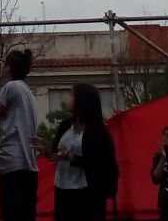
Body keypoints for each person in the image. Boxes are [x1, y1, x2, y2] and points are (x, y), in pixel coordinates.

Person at [44, 84, 118, 221]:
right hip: (62, 188)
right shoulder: (65, 125)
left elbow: (97, 163)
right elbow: (55, 152)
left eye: (71, 95)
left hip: (86, 191)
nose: (68, 98)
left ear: (81, 100)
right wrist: (44, 149)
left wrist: (69, 157)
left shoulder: (96, 131)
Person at [0, 49, 39, 221]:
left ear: (8, 67)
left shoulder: (10, 87)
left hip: (13, 164)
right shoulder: (25, 90)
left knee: (11, 213)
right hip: (28, 165)